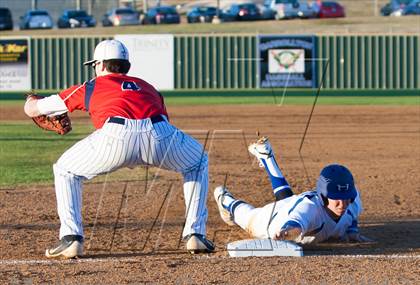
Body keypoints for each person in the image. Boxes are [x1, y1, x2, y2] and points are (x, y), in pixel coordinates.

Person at [24, 39, 214, 258]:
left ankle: (71, 238)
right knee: (197, 161)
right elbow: (158, 120)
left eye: (95, 65)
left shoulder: (91, 86)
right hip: (160, 133)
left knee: (65, 170)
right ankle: (195, 234)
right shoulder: (148, 87)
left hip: (114, 137)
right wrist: (139, 154)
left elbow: (34, 109)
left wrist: (29, 100)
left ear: (102, 65)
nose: (94, 69)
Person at [214, 136, 373, 244]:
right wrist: (286, 233)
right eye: (336, 198)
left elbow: (352, 214)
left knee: (287, 201)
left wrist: (352, 231)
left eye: (346, 197)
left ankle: (267, 157)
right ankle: (224, 198)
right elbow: (296, 223)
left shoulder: (353, 200)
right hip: (270, 221)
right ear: (324, 196)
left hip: (292, 203)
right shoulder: (309, 210)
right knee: (246, 216)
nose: (342, 203)